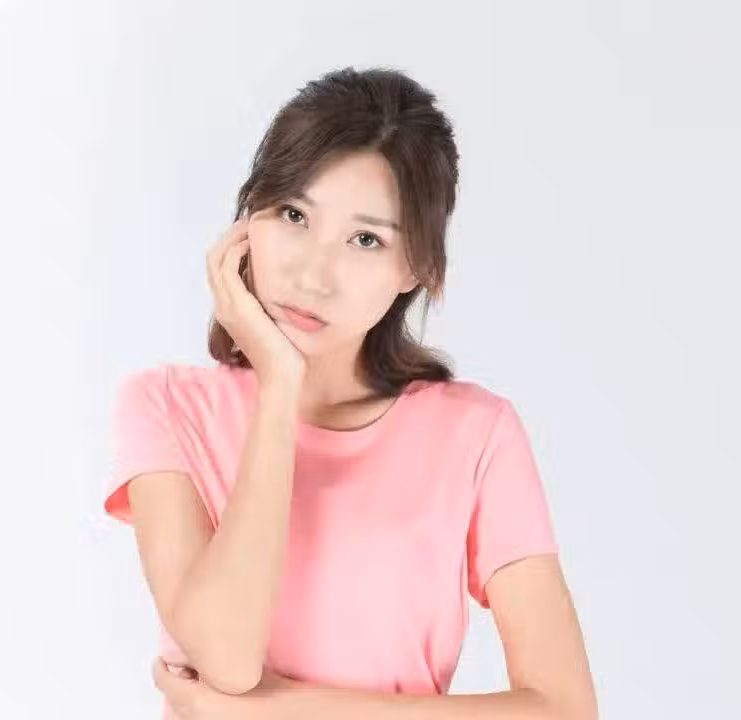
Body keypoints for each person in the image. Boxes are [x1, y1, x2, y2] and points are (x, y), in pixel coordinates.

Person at [104, 66, 598, 719]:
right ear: (247, 221)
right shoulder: (166, 407)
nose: (313, 275)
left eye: (366, 239)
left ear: (415, 266)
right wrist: (279, 386)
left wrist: (270, 709)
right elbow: (225, 656)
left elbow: (565, 709)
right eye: (294, 214)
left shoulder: (476, 434)